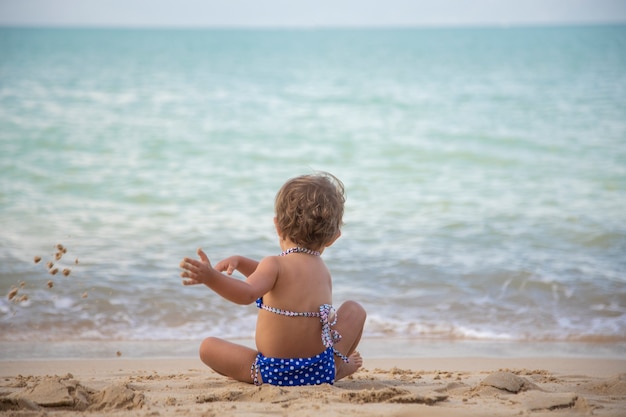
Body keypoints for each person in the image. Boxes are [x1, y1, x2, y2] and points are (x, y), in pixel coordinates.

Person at [179, 172, 366, 386]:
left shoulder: (274, 264)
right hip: (317, 370)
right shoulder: (322, 271)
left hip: (271, 372)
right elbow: (280, 286)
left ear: (277, 225)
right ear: (334, 238)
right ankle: (335, 367)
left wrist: (210, 277)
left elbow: (247, 293)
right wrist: (241, 262)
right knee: (355, 310)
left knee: (207, 347)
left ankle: (323, 370)